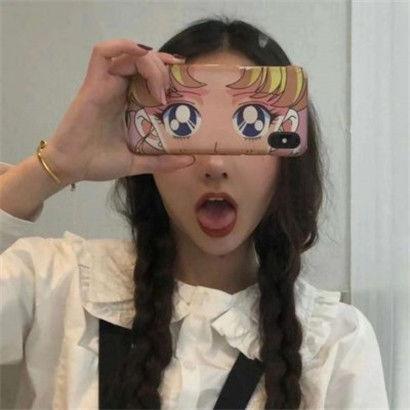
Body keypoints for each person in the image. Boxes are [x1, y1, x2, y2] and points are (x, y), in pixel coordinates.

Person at [0, 16, 389, 410]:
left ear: (287, 153)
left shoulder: (336, 344)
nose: (215, 164)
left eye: (250, 124)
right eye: (183, 123)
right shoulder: (57, 284)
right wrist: (56, 165)